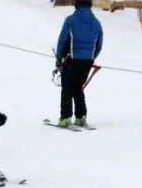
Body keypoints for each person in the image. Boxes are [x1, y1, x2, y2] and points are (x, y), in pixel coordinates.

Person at [54, 0, 103, 128]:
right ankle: (81, 117)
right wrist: (91, 57)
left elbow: (62, 41)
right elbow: (99, 45)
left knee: (67, 88)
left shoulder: (70, 20)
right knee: (78, 87)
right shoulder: (97, 23)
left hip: (71, 60)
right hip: (87, 61)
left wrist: (59, 58)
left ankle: (65, 118)